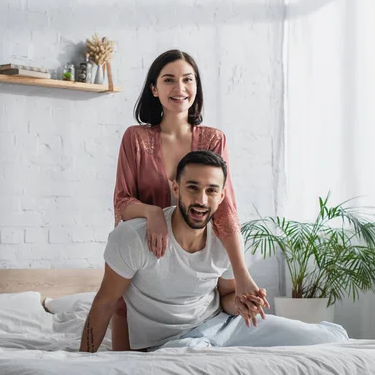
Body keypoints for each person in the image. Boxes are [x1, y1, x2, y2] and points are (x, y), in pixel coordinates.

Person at [80, 151, 349, 353]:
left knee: (331, 339)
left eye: (211, 191)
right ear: (176, 188)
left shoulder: (225, 241)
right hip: (171, 344)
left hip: (223, 327)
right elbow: (103, 304)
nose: (201, 200)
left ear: (221, 197)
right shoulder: (133, 239)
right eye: (192, 188)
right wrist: (82, 363)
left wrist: (240, 304)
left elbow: (225, 299)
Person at [111, 49, 266, 350]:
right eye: (169, 80)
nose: (179, 88)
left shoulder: (213, 139)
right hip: (146, 260)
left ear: (196, 86)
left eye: (187, 79)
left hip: (193, 261)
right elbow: (121, 202)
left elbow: (225, 210)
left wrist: (243, 275)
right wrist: (153, 213)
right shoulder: (135, 138)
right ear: (154, 89)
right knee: (123, 361)